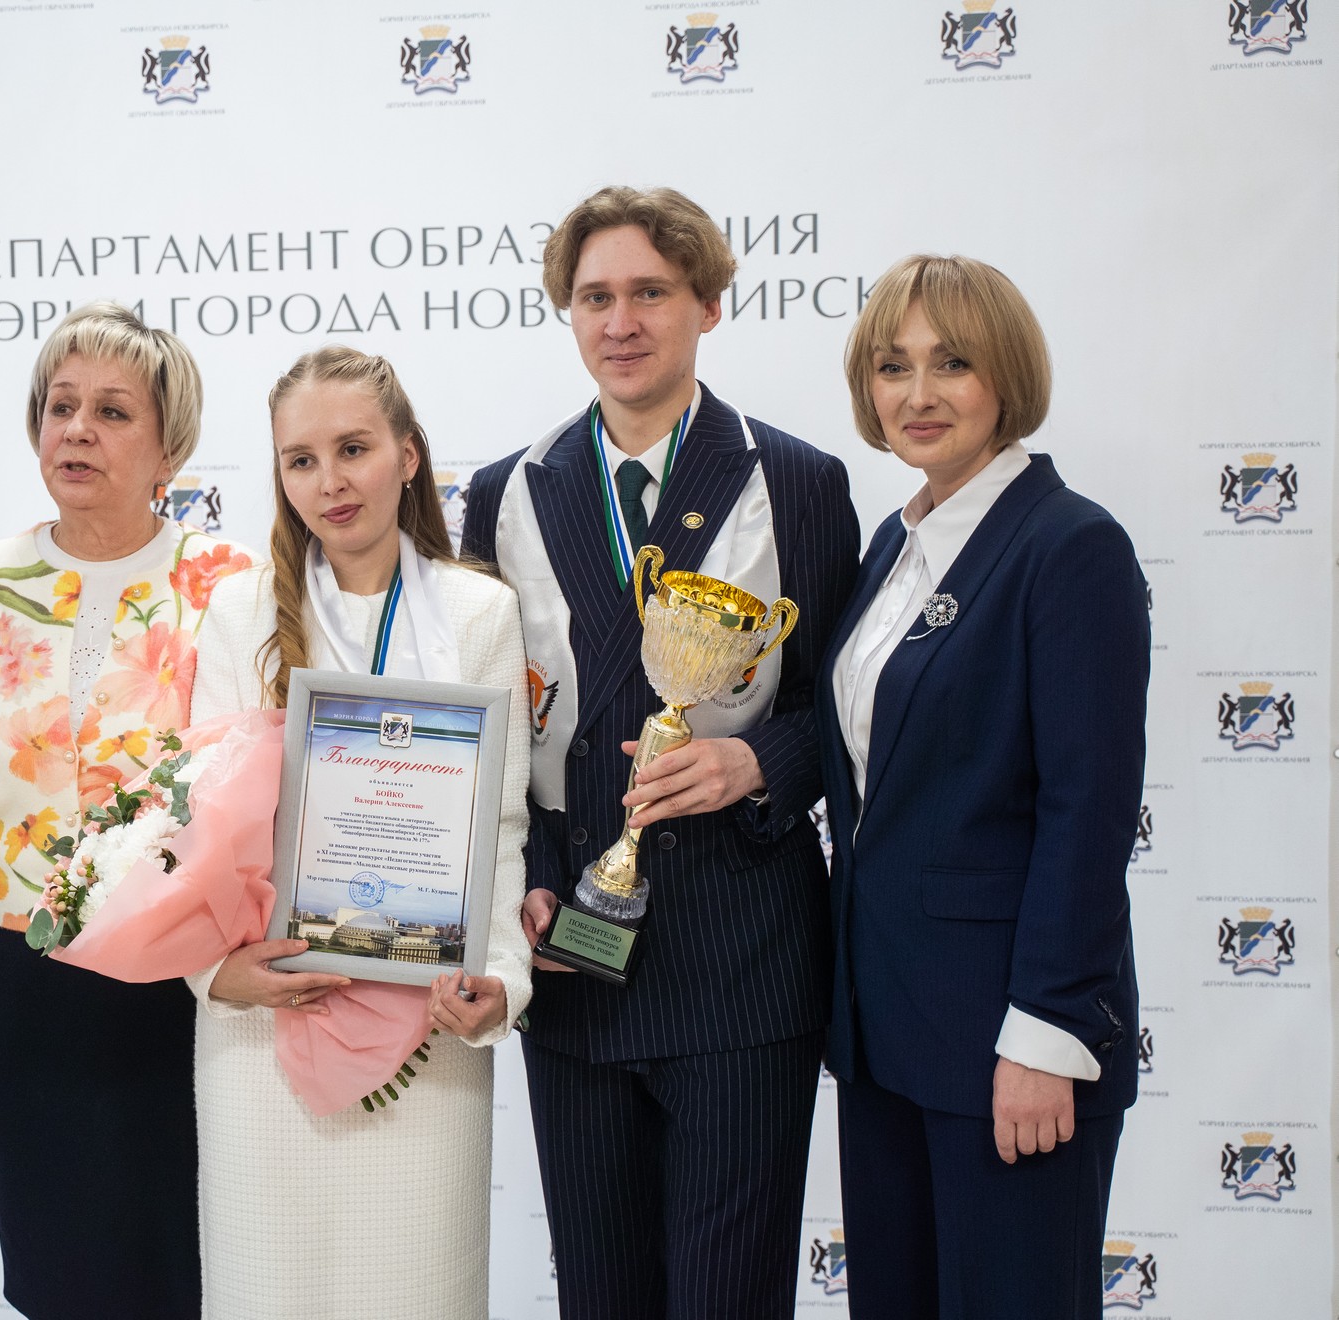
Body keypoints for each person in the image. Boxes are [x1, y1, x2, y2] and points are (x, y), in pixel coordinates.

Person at [460, 185, 860, 1318]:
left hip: (742, 960)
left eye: (650, 292)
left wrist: (759, 764)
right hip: (573, 958)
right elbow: (495, 725)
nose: (621, 322)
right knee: (599, 1296)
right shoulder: (504, 492)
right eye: (596, 297)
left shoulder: (797, 479)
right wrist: (530, 884)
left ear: (708, 306)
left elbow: (844, 708)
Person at [0, 301, 253, 1320]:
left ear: (169, 448)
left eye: (112, 412)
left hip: (185, 984)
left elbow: (262, 790)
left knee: (192, 1271)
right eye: (60, 407)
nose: (77, 431)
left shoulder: (227, 585)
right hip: (21, 984)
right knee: (59, 1275)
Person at [819, 254, 1145, 1318]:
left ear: (1007, 375)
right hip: (884, 1037)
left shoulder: (1071, 546)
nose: (918, 394)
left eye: (951, 363)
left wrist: (1048, 1032)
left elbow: (1088, 810)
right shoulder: (893, 546)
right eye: (892, 366)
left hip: (1011, 1047)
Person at [186, 346, 533, 1320]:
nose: (329, 482)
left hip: (430, 1027)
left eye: (353, 449)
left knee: (415, 1290)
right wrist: (213, 976)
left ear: (408, 456)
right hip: (263, 1024)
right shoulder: (239, 611)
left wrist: (500, 984)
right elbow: (197, 826)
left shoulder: (479, 612)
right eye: (301, 459)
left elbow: (501, 825)